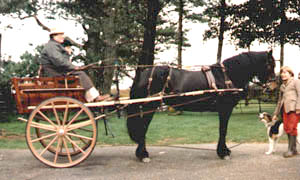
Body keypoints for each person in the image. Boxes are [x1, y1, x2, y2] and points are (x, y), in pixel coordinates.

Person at [40, 28, 109, 102]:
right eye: (61, 35)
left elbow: (61, 61)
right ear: (54, 36)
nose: (63, 36)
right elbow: (59, 61)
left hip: (57, 72)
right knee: (81, 74)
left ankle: (90, 97)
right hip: (56, 74)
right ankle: (94, 97)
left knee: (81, 73)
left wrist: (74, 67)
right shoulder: (52, 46)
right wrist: (74, 67)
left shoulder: (53, 45)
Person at [272, 66, 300, 158]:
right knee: (287, 128)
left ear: (290, 74)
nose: (283, 74)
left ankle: (290, 150)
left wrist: (298, 107)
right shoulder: (282, 86)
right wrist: (275, 114)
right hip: (285, 109)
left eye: (285, 73)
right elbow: (280, 101)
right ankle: (294, 149)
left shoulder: (296, 81)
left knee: (292, 128)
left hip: (294, 108)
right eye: (282, 73)